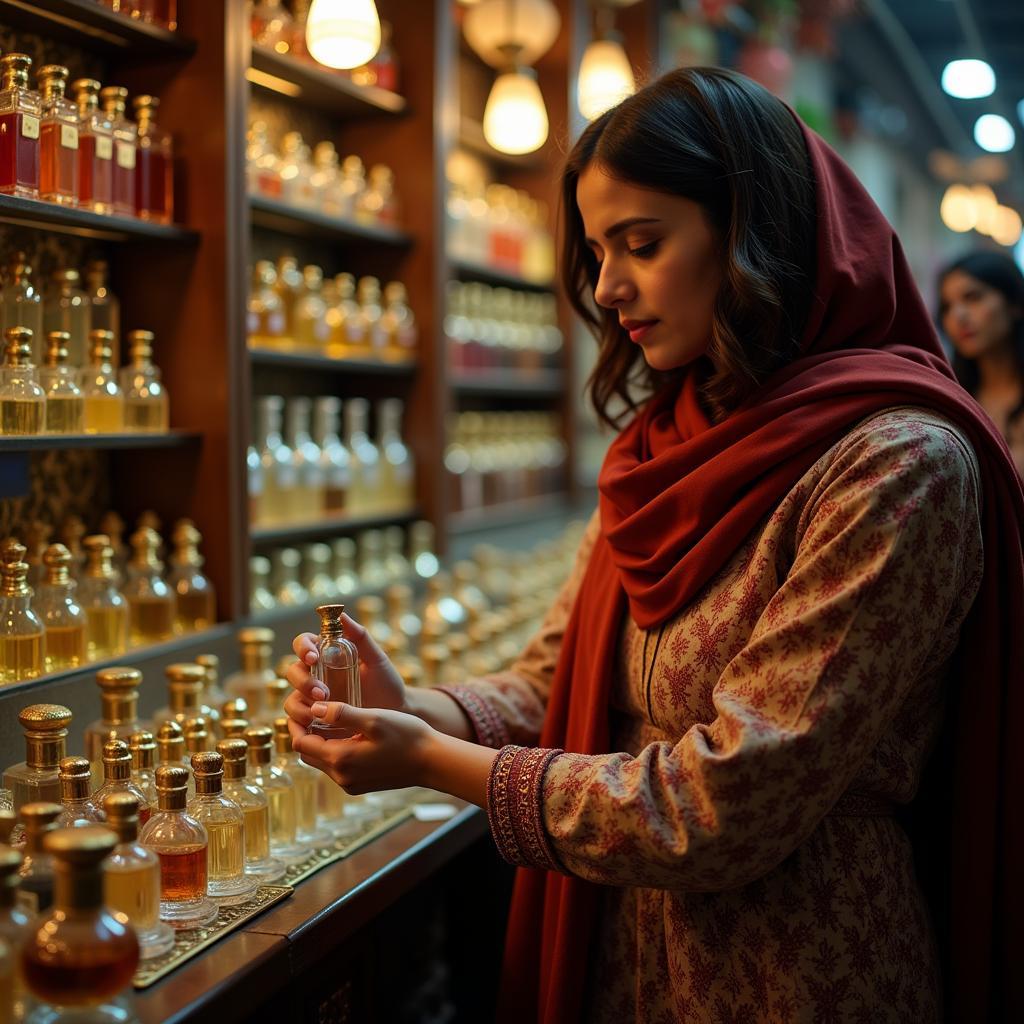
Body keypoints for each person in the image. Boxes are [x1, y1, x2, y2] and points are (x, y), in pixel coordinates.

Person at [284, 68, 1024, 1023]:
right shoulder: (668, 438)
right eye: (596, 251)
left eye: (643, 243)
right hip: (624, 954)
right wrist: (412, 705)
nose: (608, 287)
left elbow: (724, 804)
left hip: (796, 966)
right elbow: (556, 682)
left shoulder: (895, 462)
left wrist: (429, 759)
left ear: (759, 233)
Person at [938, 250, 1024, 476]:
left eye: (973, 297)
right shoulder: (951, 399)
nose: (958, 316)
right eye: (947, 306)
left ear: (1014, 304)